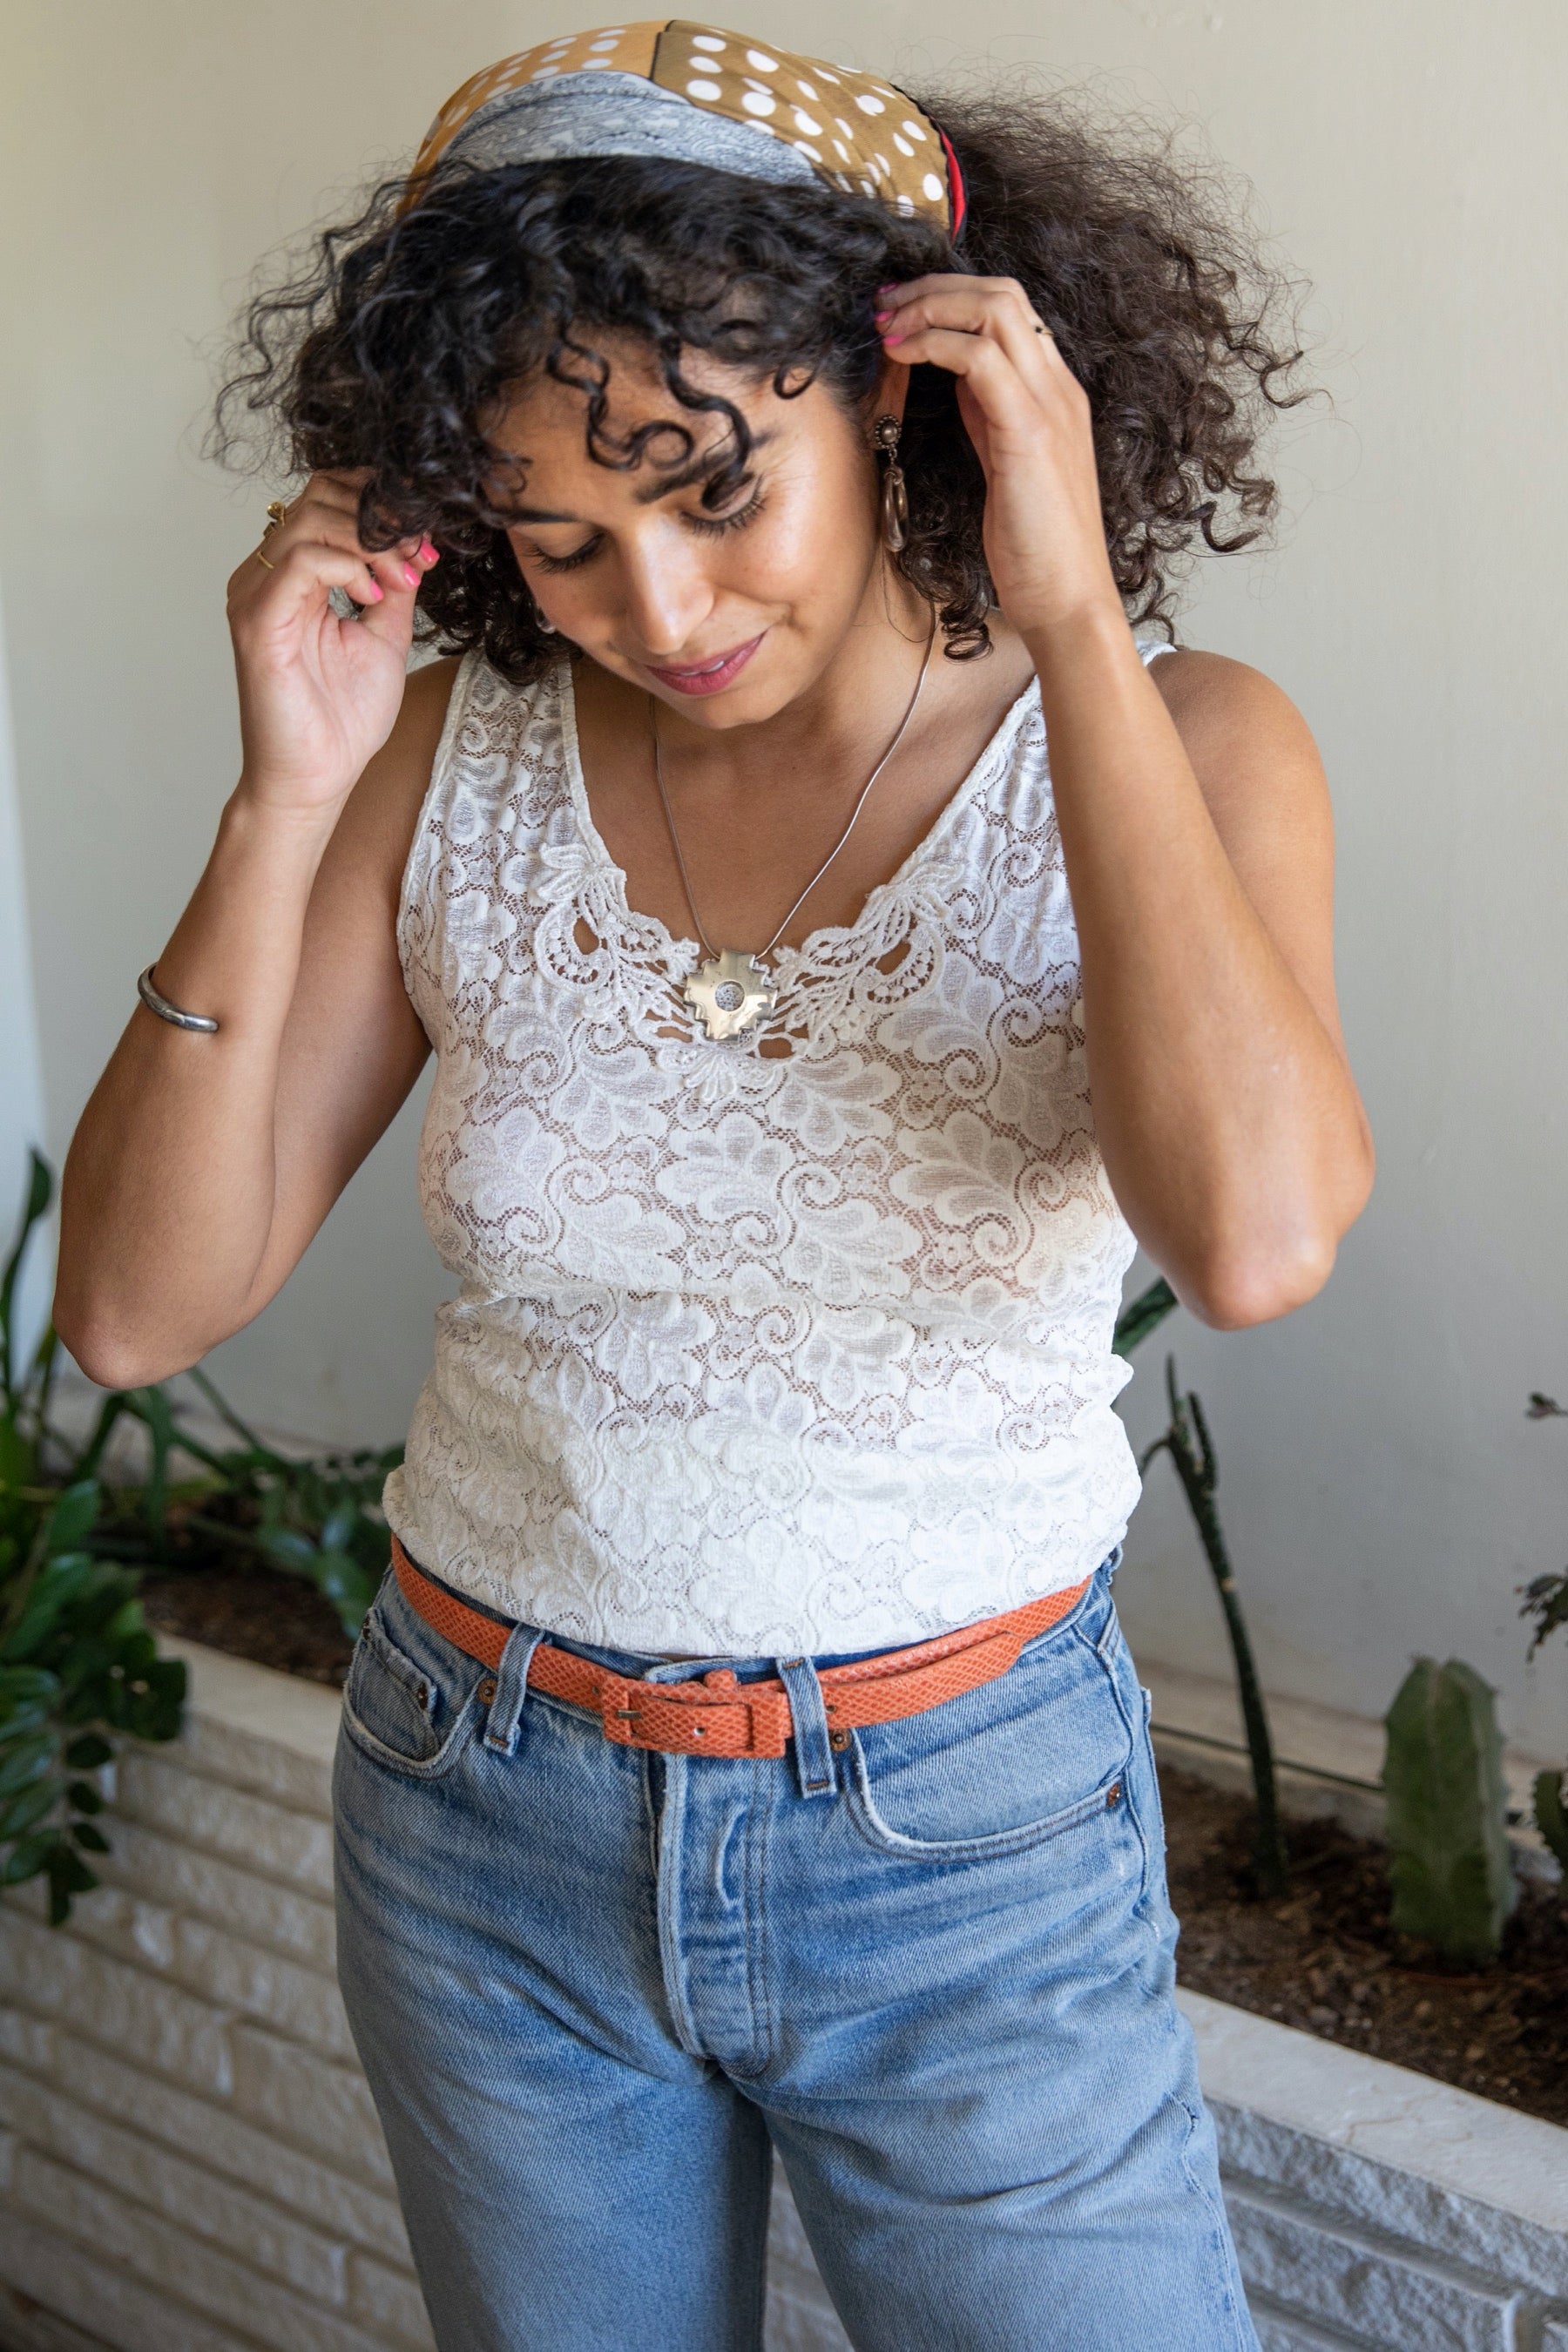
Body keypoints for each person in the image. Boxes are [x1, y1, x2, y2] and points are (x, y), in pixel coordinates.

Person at [56, 24, 1373, 2351]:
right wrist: (282, 795)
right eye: (558, 540)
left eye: (709, 487)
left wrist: (1072, 629)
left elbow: (1255, 1239)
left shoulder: (1190, 739)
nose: (655, 607)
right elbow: (142, 1314)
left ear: (902, 398)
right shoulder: (459, 761)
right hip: (481, 1805)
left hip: (962, 1846)